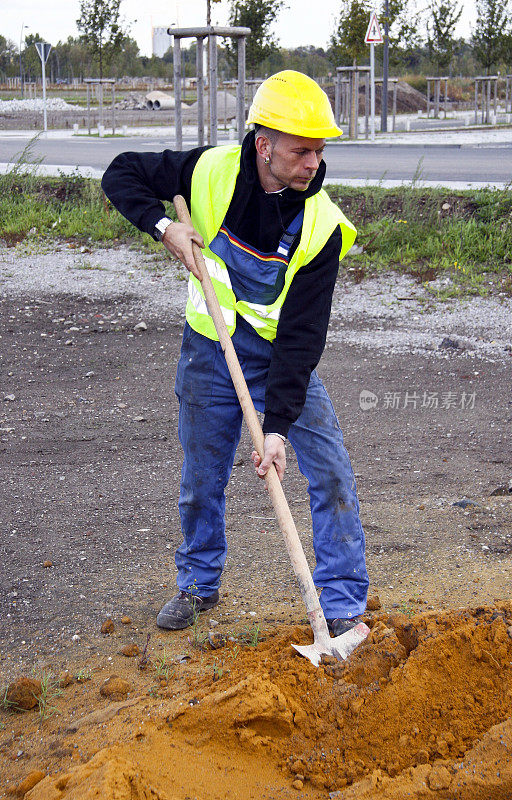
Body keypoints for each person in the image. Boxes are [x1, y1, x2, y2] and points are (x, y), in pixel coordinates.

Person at [101, 70, 369, 636]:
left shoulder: (320, 225)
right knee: (202, 474)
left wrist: (277, 426)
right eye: (301, 151)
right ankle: (198, 583)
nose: (313, 164)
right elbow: (120, 171)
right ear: (264, 144)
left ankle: (341, 604)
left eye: (319, 152)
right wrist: (163, 226)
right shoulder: (211, 171)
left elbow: (303, 335)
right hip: (211, 349)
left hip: (280, 357)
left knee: (330, 471)